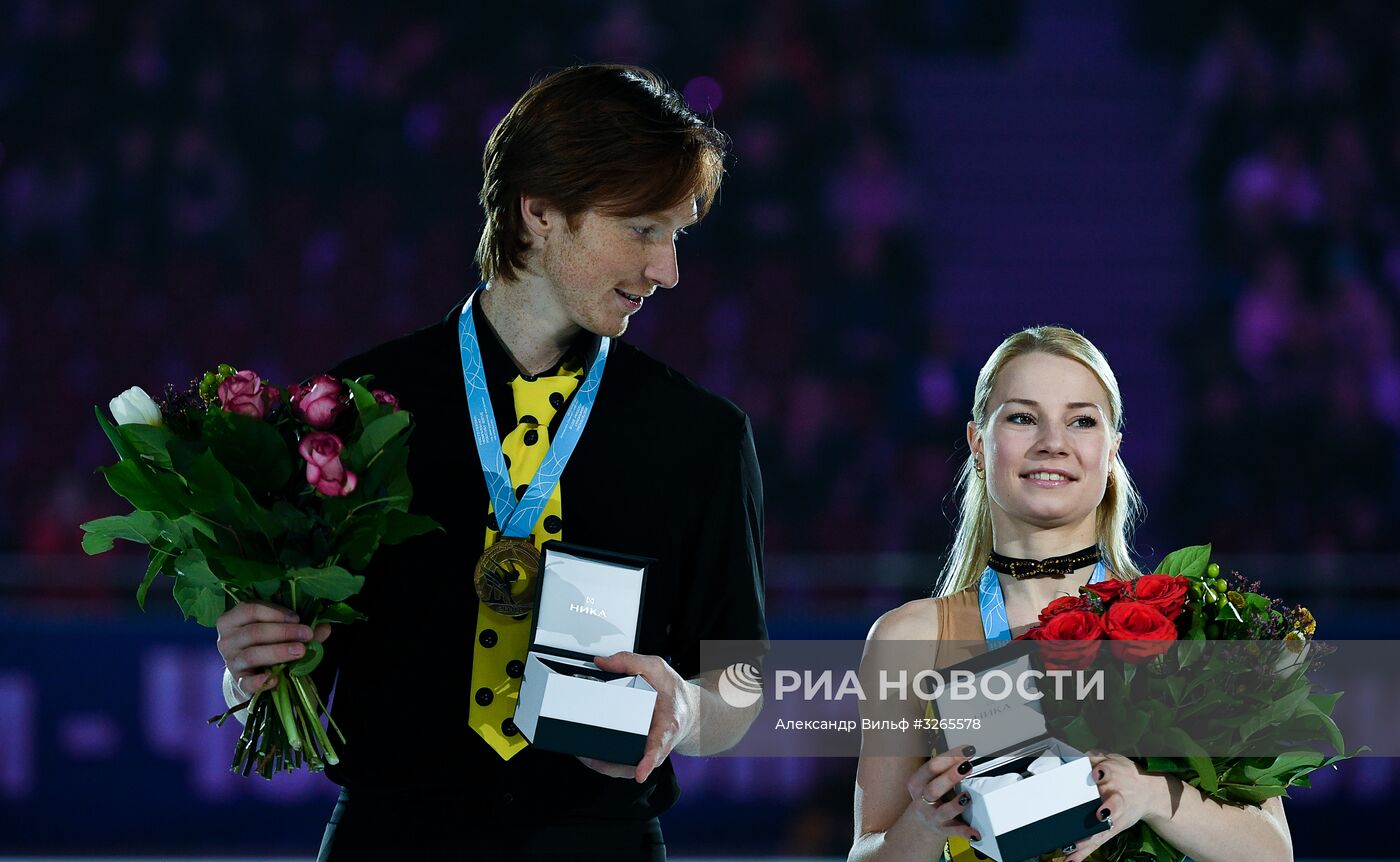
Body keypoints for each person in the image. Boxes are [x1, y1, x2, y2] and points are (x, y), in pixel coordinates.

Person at [213, 64, 766, 861]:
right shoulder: (354, 411)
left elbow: (742, 678)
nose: (666, 270)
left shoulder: (702, 436)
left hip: (600, 844)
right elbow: (294, 659)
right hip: (390, 840)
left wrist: (686, 709)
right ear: (539, 212)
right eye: (643, 229)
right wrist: (249, 673)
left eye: (674, 235)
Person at [848, 326, 1292, 862]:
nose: (1052, 442)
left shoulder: (1187, 625)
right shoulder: (910, 638)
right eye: (1022, 417)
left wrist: (1152, 796)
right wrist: (925, 821)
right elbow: (868, 850)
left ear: (1111, 453)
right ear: (978, 444)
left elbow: (1273, 853)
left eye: (1081, 420)